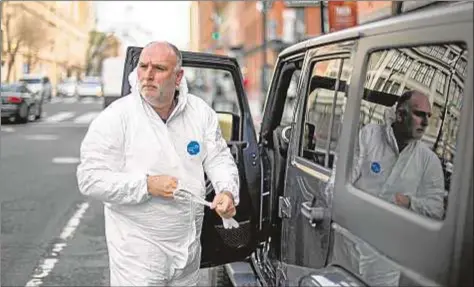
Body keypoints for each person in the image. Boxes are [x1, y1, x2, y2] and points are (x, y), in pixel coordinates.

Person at [76, 41, 239, 286]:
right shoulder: (117, 117)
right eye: (143, 66)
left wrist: (226, 190)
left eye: (159, 68)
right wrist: (146, 185)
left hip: (188, 253)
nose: (148, 75)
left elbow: (218, 157)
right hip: (138, 257)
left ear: (178, 76)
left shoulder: (200, 112)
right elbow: (90, 178)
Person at [328, 90, 445, 220]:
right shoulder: (367, 136)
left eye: (428, 116)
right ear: (400, 115)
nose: (426, 122)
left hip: (392, 238)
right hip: (353, 232)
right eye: (419, 114)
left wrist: (409, 203)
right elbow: (338, 185)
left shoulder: (429, 161)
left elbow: (436, 211)